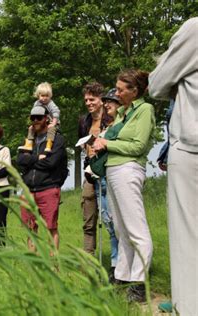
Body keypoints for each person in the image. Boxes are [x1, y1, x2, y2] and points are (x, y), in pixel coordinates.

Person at [148, 17, 198, 315]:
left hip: (192, 148)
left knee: (189, 240)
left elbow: (156, 84)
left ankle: (189, 307)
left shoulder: (195, 28)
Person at [93, 69, 155, 303]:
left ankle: (139, 284)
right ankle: (122, 276)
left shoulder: (145, 110)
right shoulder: (121, 114)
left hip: (129, 170)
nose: (116, 92)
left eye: (120, 89)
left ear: (134, 91)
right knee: (120, 229)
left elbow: (138, 146)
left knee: (136, 229)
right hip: (113, 171)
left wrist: (108, 144)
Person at [17, 106, 68, 252]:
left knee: (51, 228)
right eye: (32, 118)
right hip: (28, 190)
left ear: (46, 118)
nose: (35, 121)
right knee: (30, 228)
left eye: (38, 117)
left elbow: (51, 163)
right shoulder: (29, 140)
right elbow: (20, 160)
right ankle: (34, 266)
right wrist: (38, 158)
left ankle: (54, 266)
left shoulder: (57, 139)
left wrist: (30, 160)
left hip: (48, 188)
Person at [86, 88, 121, 282]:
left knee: (117, 224)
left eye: (111, 101)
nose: (107, 104)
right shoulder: (108, 127)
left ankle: (121, 267)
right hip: (100, 179)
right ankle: (116, 266)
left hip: (113, 178)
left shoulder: (121, 126)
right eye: (106, 101)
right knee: (108, 223)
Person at [78, 82, 112, 259]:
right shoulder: (84, 121)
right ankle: (88, 262)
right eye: (86, 100)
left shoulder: (111, 118)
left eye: (92, 99)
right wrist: (86, 147)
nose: (88, 103)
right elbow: (82, 142)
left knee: (110, 219)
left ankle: (118, 264)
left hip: (108, 172)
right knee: (88, 221)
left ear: (101, 100)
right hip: (90, 173)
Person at [19, 82, 61, 153]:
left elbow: (56, 112)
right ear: (38, 95)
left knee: (51, 129)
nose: (44, 98)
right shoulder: (36, 103)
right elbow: (34, 114)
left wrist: (53, 123)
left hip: (52, 121)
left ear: (50, 96)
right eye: (42, 96)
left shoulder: (50, 103)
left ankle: (49, 143)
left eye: (47, 96)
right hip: (41, 121)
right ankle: (29, 143)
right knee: (31, 128)